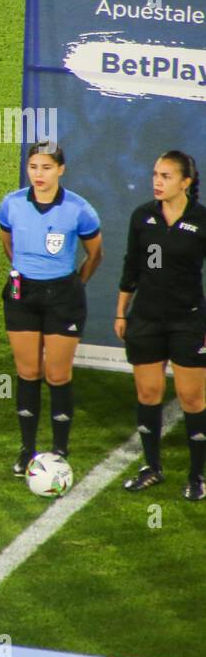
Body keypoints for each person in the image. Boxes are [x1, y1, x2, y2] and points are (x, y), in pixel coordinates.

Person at [0, 141, 102, 476]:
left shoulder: (79, 209)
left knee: (58, 375)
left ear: (61, 169)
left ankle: (59, 450)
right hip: (22, 294)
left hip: (63, 296)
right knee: (28, 373)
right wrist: (27, 270)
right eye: (33, 167)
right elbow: (8, 243)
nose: (38, 175)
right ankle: (27, 449)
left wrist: (72, 285)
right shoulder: (12, 204)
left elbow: (94, 254)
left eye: (46, 167)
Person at [115, 152, 206, 500]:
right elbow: (131, 267)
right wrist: (122, 312)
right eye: (155, 174)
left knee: (191, 398)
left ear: (185, 182)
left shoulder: (201, 221)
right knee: (148, 394)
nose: (157, 181)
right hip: (146, 319)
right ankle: (151, 467)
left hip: (188, 320)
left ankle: (197, 476)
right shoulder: (143, 217)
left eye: (166, 176)